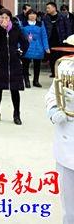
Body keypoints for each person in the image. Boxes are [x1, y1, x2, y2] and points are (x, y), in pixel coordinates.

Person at [0, 9, 29, 126]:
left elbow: (25, 42)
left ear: (10, 19)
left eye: (6, 17)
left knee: (14, 89)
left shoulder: (16, 29)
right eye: (1, 17)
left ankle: (16, 114)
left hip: (13, 63)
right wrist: (1, 29)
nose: (4, 20)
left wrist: (20, 53)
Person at [45, 73, 74, 224]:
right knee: (69, 209)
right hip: (67, 145)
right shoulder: (66, 66)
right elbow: (52, 94)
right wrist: (53, 110)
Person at [20, 9, 49, 88]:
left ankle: (36, 81)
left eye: (34, 14)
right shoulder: (23, 24)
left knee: (37, 65)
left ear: (36, 16)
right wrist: (19, 46)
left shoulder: (40, 24)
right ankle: (26, 81)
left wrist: (46, 47)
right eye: (30, 14)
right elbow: (20, 36)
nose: (32, 16)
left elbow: (44, 36)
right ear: (27, 16)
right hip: (26, 46)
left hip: (38, 46)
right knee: (25, 65)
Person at [44, 2, 73, 78]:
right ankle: (54, 73)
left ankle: (61, 73)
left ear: (54, 8)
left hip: (61, 40)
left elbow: (68, 28)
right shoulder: (46, 17)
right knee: (52, 58)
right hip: (50, 40)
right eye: (47, 8)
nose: (47, 9)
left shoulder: (62, 16)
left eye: (48, 8)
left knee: (61, 57)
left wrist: (68, 39)